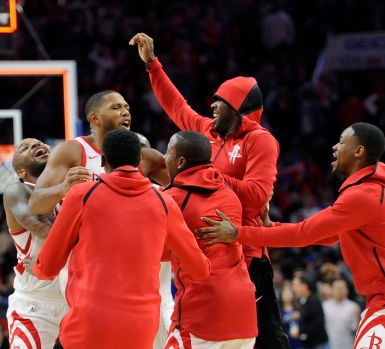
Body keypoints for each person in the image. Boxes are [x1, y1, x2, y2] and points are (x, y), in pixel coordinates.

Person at [198, 122, 385, 349]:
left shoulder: (364, 194)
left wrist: (238, 233)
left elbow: (303, 234)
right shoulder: (368, 190)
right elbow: (327, 236)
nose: (334, 147)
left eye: (341, 142)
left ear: (359, 151)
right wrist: (270, 227)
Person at [129, 32, 287, 349]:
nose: (212, 105)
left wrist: (207, 173)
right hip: (207, 250)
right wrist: (153, 65)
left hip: (246, 252)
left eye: (221, 101)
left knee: (268, 340)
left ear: (239, 108)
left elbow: (257, 196)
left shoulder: (260, 140)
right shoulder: (206, 131)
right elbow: (177, 105)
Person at [24, 129, 210, 349]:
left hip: (88, 324)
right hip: (141, 330)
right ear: (140, 160)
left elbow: (48, 267)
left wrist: (36, 268)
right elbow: (200, 269)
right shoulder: (165, 202)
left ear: (103, 160)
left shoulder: (82, 194)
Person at [162, 130, 257, 349]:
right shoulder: (228, 191)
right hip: (243, 310)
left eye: (168, 151)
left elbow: (154, 250)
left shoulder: (173, 199)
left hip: (204, 311)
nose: (164, 157)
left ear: (181, 161)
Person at [27, 90, 168, 216]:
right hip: (86, 241)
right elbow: (35, 205)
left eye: (127, 108)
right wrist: (63, 189)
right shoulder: (72, 151)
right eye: (116, 107)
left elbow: (182, 192)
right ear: (95, 118)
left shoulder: (147, 157)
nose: (126, 112)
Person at [2, 138, 67, 349]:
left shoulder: (72, 189)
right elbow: (50, 233)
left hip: (76, 301)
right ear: (20, 172)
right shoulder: (17, 191)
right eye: (25, 148)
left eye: (38, 143)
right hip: (36, 307)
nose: (35, 146)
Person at [134, 132, 175, 349]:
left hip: (161, 302)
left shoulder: (168, 195)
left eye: (142, 150)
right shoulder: (99, 192)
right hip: (123, 304)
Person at [290, 276, 329, 349]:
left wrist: (299, 331)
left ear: (305, 286)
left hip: (318, 344)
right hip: (308, 344)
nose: (294, 289)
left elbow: (318, 324)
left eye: (295, 285)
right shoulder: (302, 301)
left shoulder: (314, 301)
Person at [322, 280, 360, 349]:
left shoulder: (353, 307)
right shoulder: (324, 306)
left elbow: (355, 328)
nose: (339, 291)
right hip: (328, 345)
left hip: (348, 345)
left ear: (347, 290)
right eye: (337, 288)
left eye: (342, 288)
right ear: (332, 290)